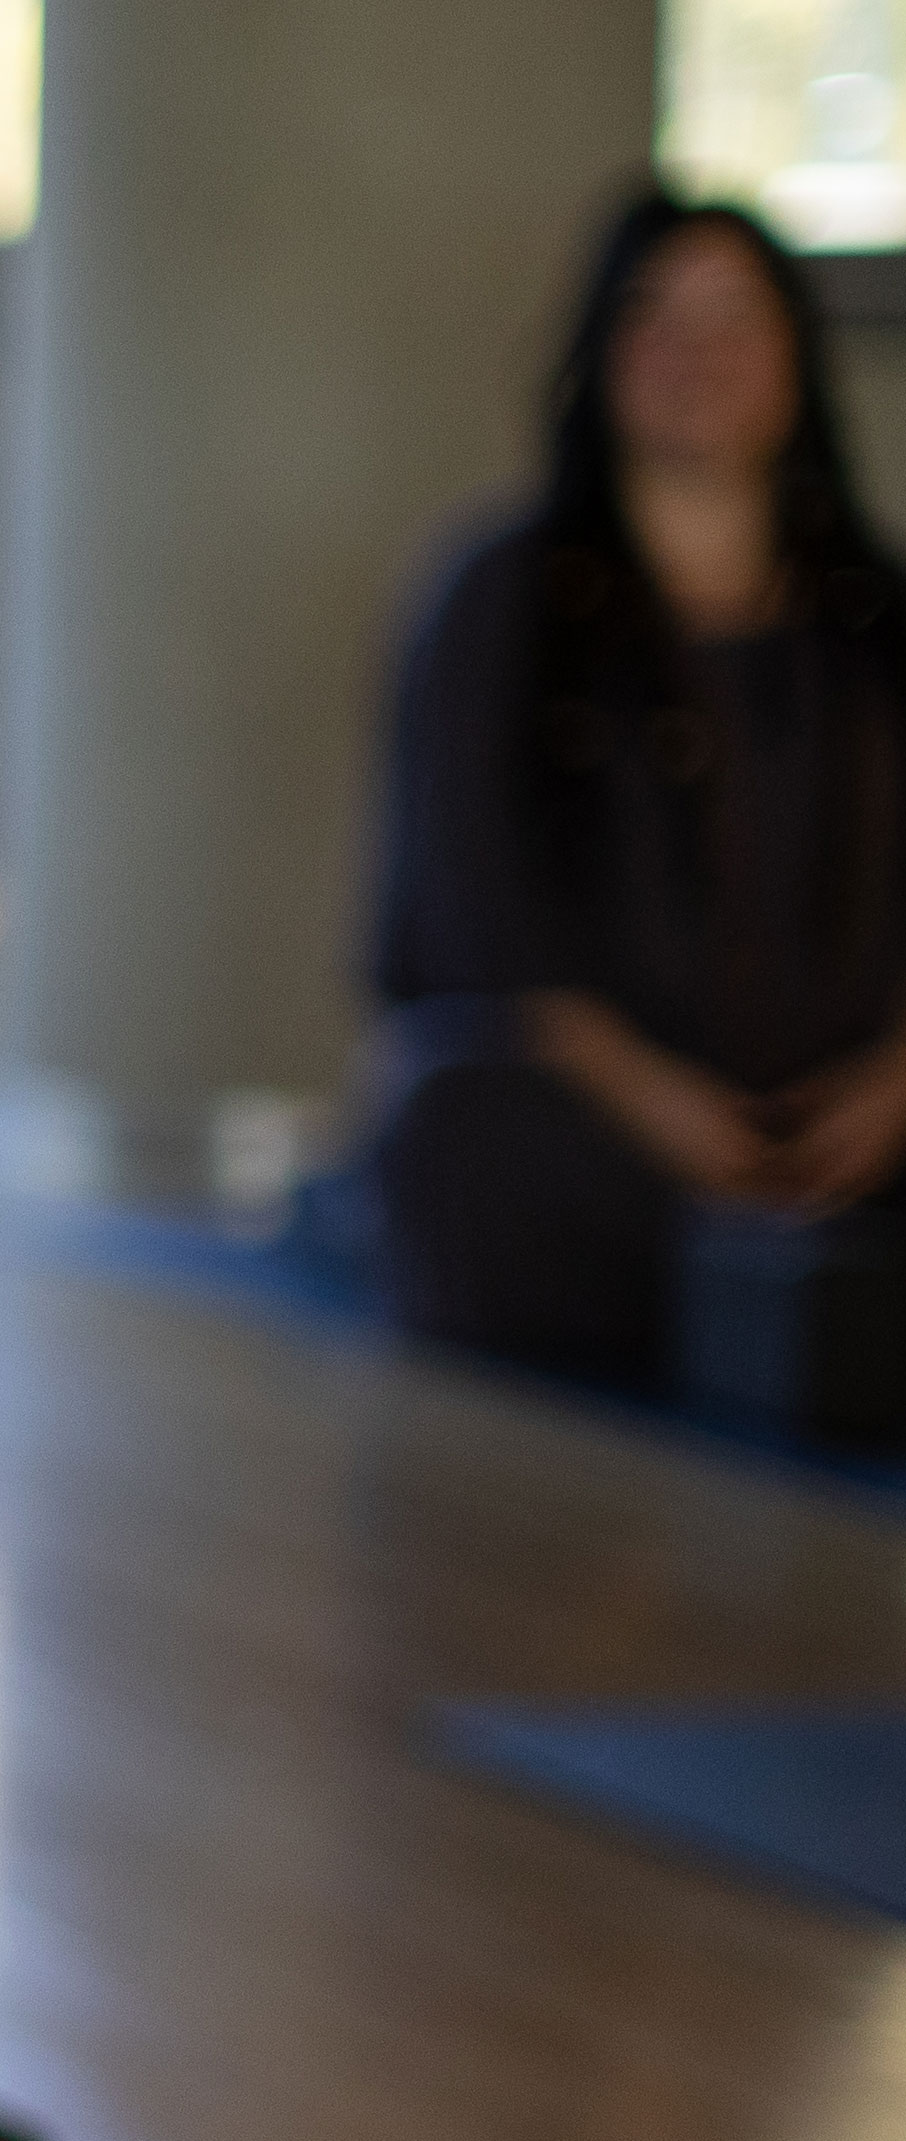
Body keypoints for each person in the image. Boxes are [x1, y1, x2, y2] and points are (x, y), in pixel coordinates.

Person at [359, 191, 906, 1385]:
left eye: (731, 322)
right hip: (601, 1113)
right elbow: (462, 914)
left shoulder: (872, 612)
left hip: (855, 1112)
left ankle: (802, 1303)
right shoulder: (502, 599)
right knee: (467, 1132)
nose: (694, 356)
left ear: (794, 360)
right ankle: (774, 1312)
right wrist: (647, 1095)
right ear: (598, 354)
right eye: (653, 318)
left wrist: (890, 1084)